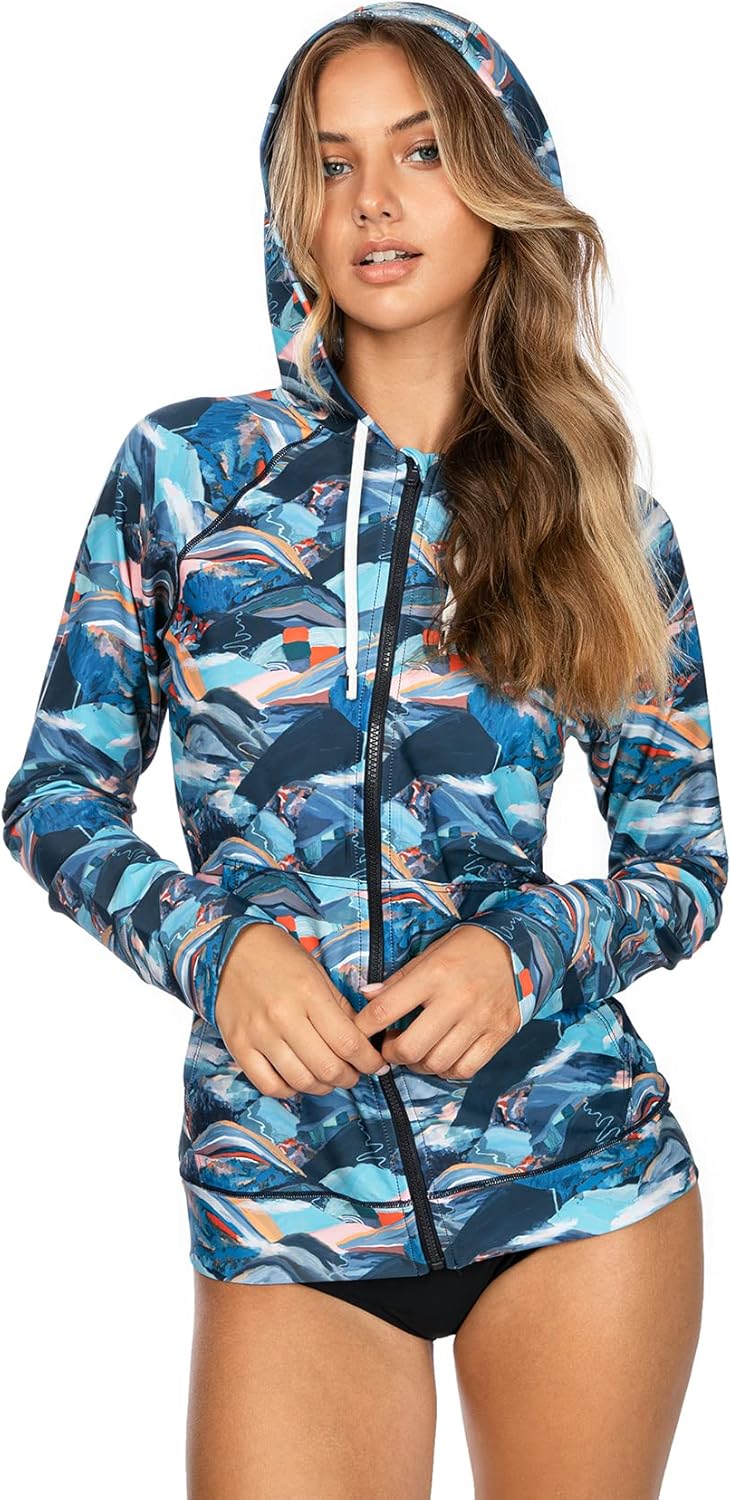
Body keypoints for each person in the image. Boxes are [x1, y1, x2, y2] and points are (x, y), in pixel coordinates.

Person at [3, 3, 727, 1496]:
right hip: (285, 1194)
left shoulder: (601, 518)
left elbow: (687, 858)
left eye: (423, 153)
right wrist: (215, 947)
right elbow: (56, 794)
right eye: (332, 164)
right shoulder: (186, 474)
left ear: (505, 184)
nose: (374, 201)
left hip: (575, 1176)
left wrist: (524, 948)